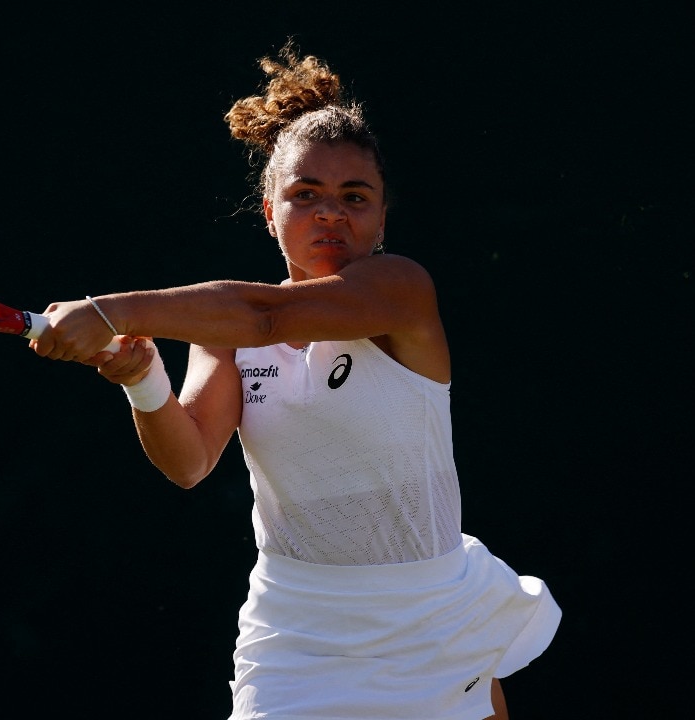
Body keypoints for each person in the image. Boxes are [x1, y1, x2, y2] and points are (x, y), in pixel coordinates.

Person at [28, 40, 561, 720]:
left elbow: (267, 316)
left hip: (431, 615)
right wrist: (143, 379)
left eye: (354, 197)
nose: (331, 213)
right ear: (269, 210)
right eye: (305, 195)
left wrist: (108, 310)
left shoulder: (400, 290)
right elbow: (188, 461)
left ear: (382, 217)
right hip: (295, 629)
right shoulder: (226, 332)